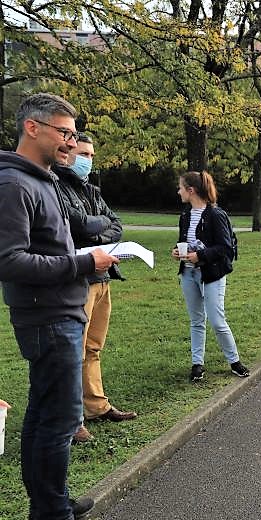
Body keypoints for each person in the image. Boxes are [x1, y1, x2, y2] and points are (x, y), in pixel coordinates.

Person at [0, 92, 119, 520]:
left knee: (47, 417)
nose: (71, 143)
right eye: (65, 133)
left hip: (62, 311)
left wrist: (83, 257)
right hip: (47, 318)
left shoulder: (44, 179)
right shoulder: (14, 185)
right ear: (34, 128)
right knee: (58, 422)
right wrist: (82, 261)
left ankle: (51, 505)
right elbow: (9, 261)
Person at [55, 133, 137, 444]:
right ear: (68, 152)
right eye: (83, 153)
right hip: (78, 278)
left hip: (102, 277)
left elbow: (116, 224)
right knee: (72, 350)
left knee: (92, 348)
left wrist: (97, 230)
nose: (88, 160)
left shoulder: (92, 189)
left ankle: (96, 405)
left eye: (91, 155)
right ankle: (72, 420)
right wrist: (99, 228)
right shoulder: (56, 184)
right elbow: (75, 225)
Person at [173, 171, 249, 382]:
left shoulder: (216, 215)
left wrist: (200, 256)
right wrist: (177, 251)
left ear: (191, 190)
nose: (178, 191)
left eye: (180, 187)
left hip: (212, 275)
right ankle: (197, 364)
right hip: (188, 273)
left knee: (217, 320)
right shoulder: (185, 214)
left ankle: (234, 361)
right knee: (196, 320)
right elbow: (183, 240)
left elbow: (226, 248)